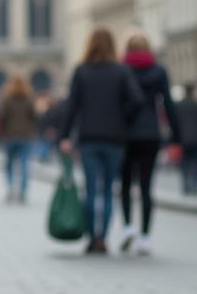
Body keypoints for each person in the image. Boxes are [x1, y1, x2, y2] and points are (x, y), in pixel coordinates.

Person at [58, 27, 144, 254]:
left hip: (89, 137)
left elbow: (71, 106)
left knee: (90, 189)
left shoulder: (81, 71)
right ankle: (102, 238)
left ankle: (90, 237)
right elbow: (137, 100)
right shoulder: (122, 71)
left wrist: (64, 136)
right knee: (107, 190)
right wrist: (123, 118)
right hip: (115, 138)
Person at [120, 33, 180, 254]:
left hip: (126, 132)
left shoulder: (122, 69)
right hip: (150, 133)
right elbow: (168, 103)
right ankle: (145, 237)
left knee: (125, 184)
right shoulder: (159, 70)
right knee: (146, 187)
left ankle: (128, 227)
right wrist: (176, 135)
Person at [0, 74, 38, 203]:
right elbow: (34, 118)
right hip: (25, 136)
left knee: (9, 164)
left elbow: (1, 118)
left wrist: (2, 133)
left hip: (10, 135)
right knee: (24, 164)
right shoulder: (29, 100)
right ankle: (22, 191)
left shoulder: (7, 100)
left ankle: (11, 189)